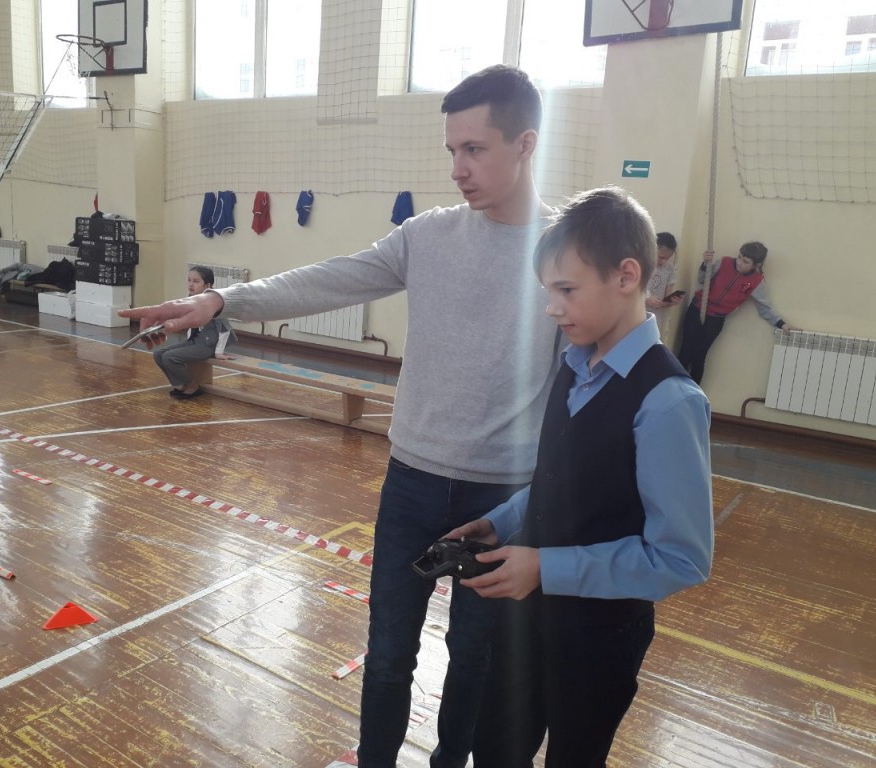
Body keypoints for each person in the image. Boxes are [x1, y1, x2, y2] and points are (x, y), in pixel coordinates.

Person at [119, 65, 559, 768]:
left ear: (526, 143)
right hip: (413, 484)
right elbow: (328, 279)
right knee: (386, 657)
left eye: (474, 149)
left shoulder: (563, 253)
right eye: (452, 150)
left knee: (475, 659)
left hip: (501, 498)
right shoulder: (427, 235)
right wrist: (221, 301)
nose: (457, 168)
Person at [443, 187, 714, 767]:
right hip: (527, 621)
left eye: (566, 290)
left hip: (599, 638)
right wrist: (502, 521)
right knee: (495, 750)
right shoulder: (573, 363)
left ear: (627, 276)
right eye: (548, 292)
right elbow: (562, 478)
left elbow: (681, 559)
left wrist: (546, 566)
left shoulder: (668, 401)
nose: (552, 308)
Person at [677, 241, 798, 384]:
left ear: (756, 265)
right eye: (739, 257)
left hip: (716, 319)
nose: (739, 262)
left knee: (699, 356)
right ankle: (672, 389)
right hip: (697, 308)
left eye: (745, 261)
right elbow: (702, 279)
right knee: (686, 351)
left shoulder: (756, 281)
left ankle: (693, 394)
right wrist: (705, 264)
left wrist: (781, 324)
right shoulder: (724, 262)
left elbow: (764, 307)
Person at [152, 265, 233, 399]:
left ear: (207, 285)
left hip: (209, 344)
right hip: (196, 340)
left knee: (170, 357)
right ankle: (179, 385)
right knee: (158, 354)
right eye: (189, 280)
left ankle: (192, 386)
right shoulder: (192, 298)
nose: (191, 284)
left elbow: (225, 329)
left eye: (196, 281)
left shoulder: (214, 302)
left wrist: (218, 352)